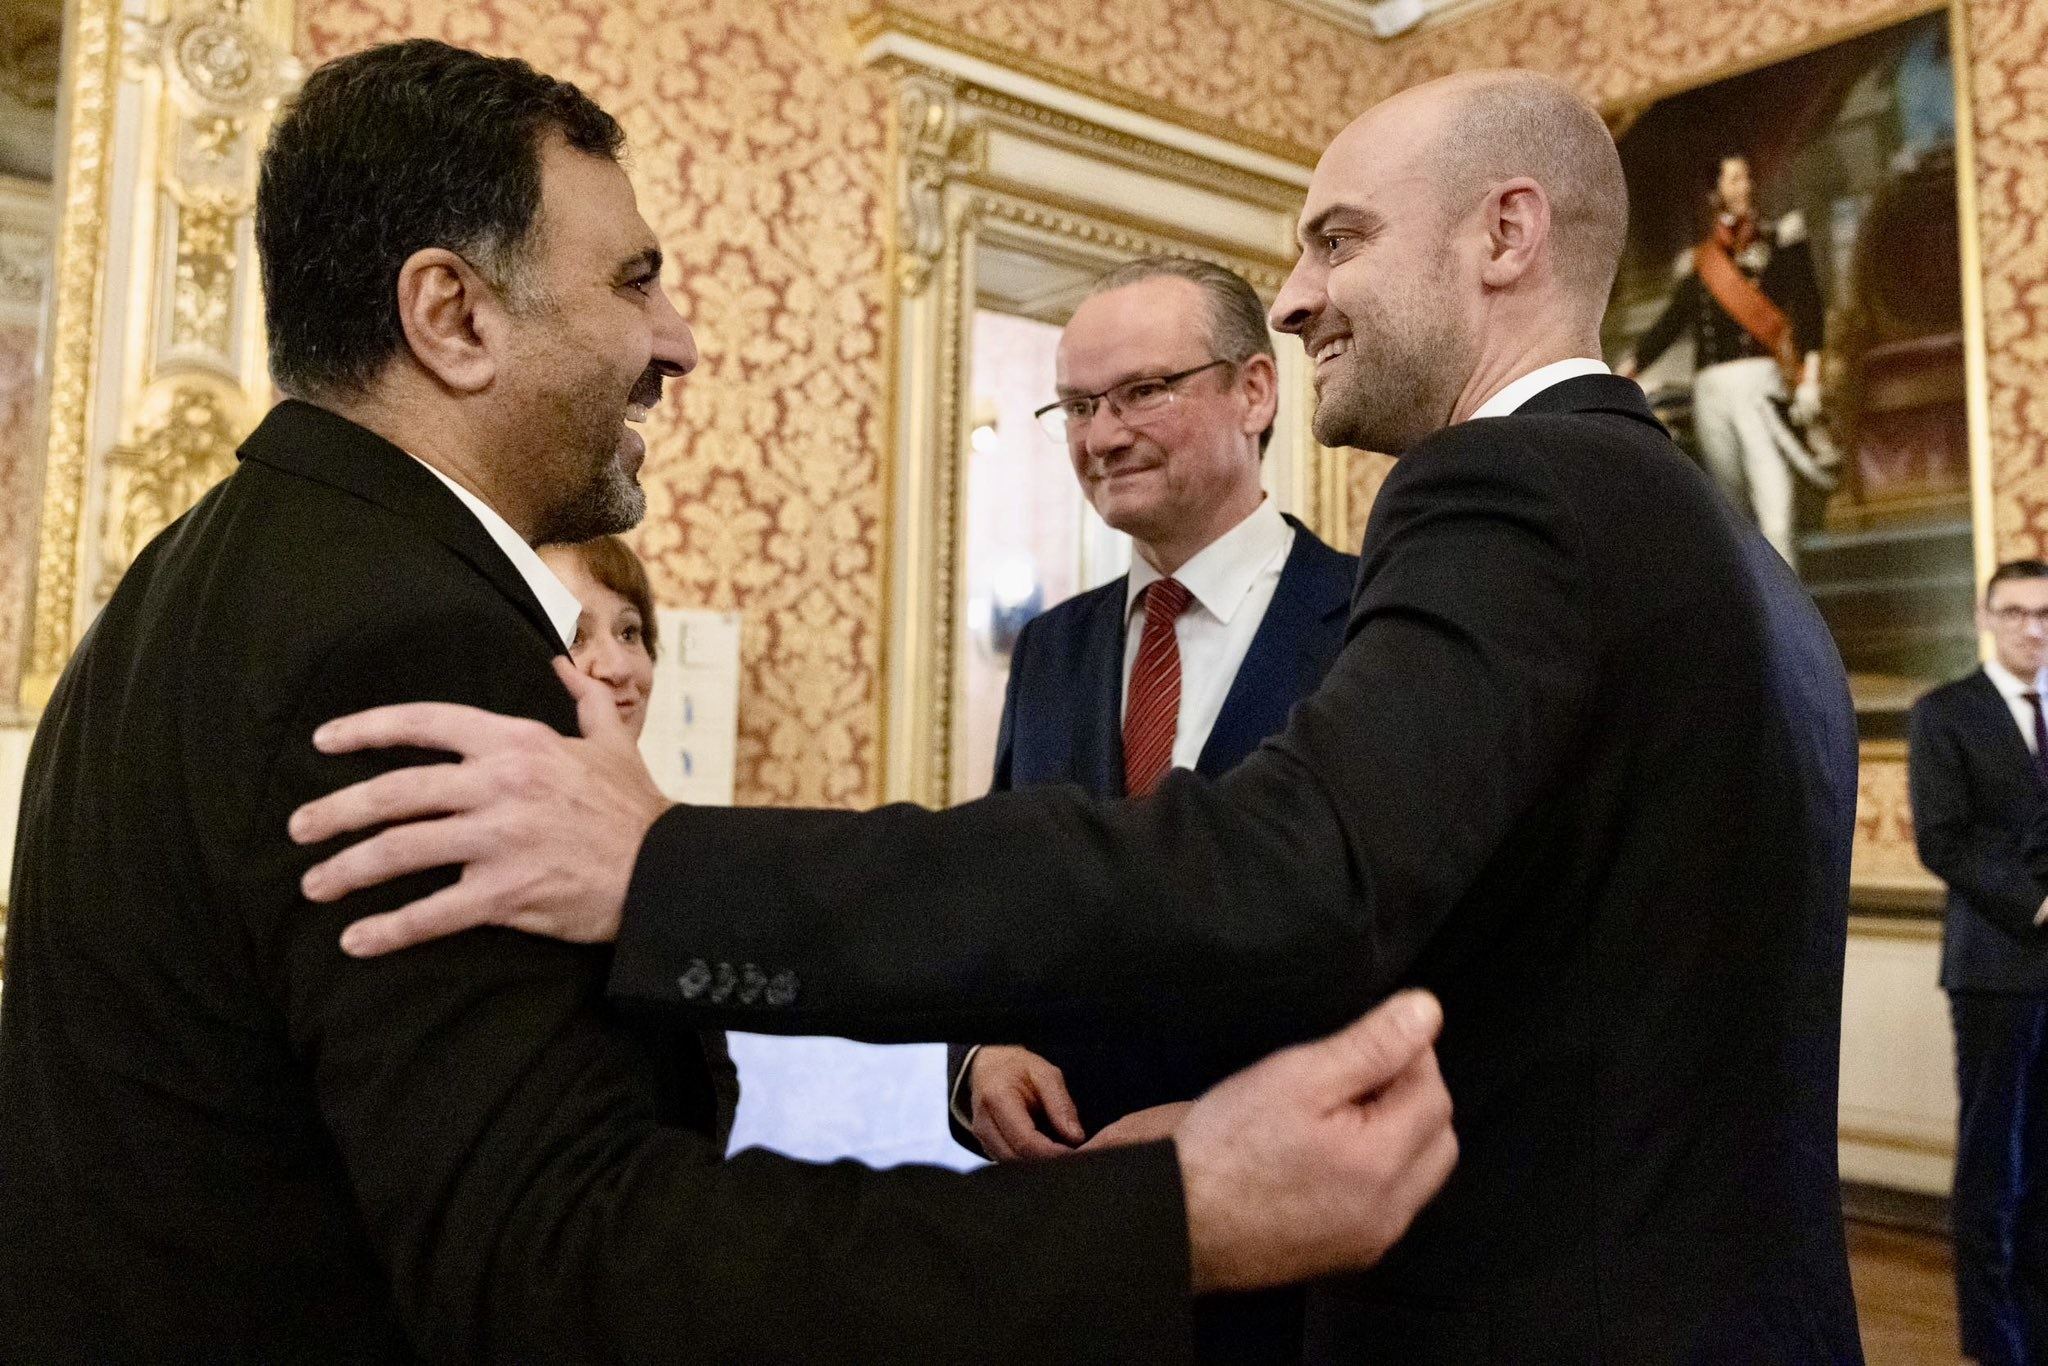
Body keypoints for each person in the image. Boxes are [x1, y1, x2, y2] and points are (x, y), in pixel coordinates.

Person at [294, 68, 1865, 1361]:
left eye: (1334, 240)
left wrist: (671, 871)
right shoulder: (1725, 544)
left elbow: (1298, 867)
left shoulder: (1512, 488)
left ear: (1506, 233)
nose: (1302, 297)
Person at [0, 39, 1460, 1362]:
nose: (681, 339)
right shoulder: (396, 637)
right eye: (635, 280)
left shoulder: (208, 576)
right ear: (452, 314)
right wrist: (1170, 1217)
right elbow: (567, 1259)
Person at [952, 256, 1356, 1362]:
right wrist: (981, 1049)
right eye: (1077, 405)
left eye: (1140, 392)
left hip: (1296, 1258)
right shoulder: (1050, 648)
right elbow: (1002, 901)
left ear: (1254, 392)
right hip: (1070, 1228)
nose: (1098, 435)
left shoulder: (1375, 627)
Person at [539, 533, 741, 1150]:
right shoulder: (510, 852)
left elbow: (708, 1083)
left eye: (630, 632)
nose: (619, 667)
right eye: (576, 634)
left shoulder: (669, 844)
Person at [1908, 560, 2048, 1366]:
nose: (2033, 627)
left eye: (2045, 615)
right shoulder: (1944, 712)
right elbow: (1943, 839)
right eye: (2017, 612)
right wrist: (2038, 900)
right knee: (1996, 1162)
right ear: (1986, 618)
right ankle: (1995, 1343)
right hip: (1995, 968)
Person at [1615, 153, 1834, 568]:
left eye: (1747, 177)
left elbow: (1808, 308)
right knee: (1733, 513)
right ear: (1716, 193)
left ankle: (1786, 616)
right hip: (1711, 393)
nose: (1745, 187)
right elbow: (1671, 322)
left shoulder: (1782, 240)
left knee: (1776, 506)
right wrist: (1629, 367)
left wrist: (1810, 375)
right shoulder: (1702, 262)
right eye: (1734, 180)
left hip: (1760, 387)